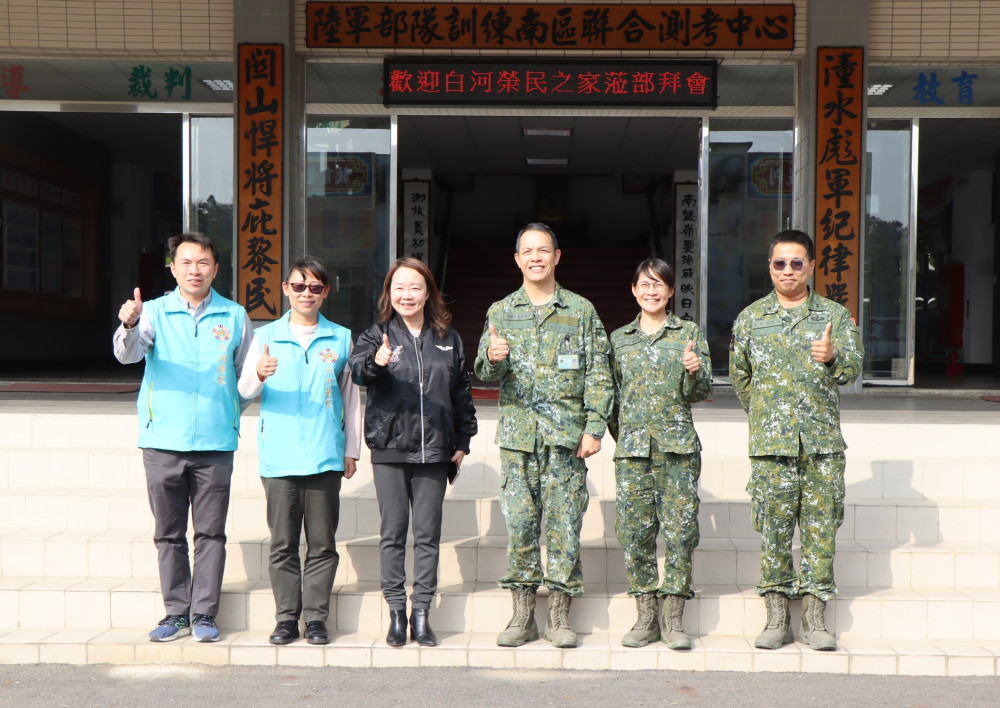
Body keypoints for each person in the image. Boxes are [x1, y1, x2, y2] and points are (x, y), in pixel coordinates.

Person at [475, 222, 613, 649]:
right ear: (517, 260)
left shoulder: (580, 310)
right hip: (519, 442)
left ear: (557, 256)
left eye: (544, 250)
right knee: (519, 526)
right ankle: (522, 616)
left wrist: (595, 426)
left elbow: (600, 373)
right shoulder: (501, 311)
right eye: (527, 251)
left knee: (564, 528)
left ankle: (558, 616)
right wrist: (493, 359)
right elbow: (483, 372)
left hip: (566, 442)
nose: (535, 257)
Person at [113, 232, 252, 643]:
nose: (195, 270)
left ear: (216, 268)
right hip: (162, 443)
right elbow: (128, 354)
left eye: (203, 262)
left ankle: (205, 614)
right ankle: (176, 613)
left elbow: (247, 379)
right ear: (172, 268)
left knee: (211, 533)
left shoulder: (233, 315)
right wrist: (130, 323)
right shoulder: (152, 312)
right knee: (169, 534)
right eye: (186, 262)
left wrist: (228, 412)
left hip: (215, 445)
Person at [729, 229, 863, 652]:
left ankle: (814, 620)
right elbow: (741, 379)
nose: (788, 271)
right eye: (779, 264)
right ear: (769, 268)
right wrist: (769, 416)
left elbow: (852, 370)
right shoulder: (750, 318)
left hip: (821, 447)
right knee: (774, 532)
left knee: (821, 532)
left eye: (796, 263)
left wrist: (834, 356)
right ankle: (775, 619)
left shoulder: (834, 317)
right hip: (772, 448)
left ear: (811, 267)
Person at [349, 257, 477, 647]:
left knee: (427, 534)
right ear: (390, 292)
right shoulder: (376, 335)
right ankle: (396, 614)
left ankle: (422, 612)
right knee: (392, 533)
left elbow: (461, 392)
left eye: (415, 287)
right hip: (389, 447)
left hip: (436, 451)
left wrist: (462, 440)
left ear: (428, 293)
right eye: (399, 287)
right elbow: (357, 372)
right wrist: (377, 361)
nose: (407, 294)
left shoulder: (448, 337)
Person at [237, 256, 361, 646]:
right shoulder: (266, 336)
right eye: (299, 286)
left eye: (315, 287)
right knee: (283, 543)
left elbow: (352, 398)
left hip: (325, 454)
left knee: (323, 544)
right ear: (286, 289)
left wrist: (351, 450)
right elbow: (242, 392)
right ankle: (286, 618)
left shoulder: (341, 337)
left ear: (325, 292)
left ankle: (316, 619)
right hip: (280, 457)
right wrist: (259, 373)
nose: (306, 293)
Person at [608, 258, 712, 650]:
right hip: (633, 453)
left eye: (659, 285)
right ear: (634, 290)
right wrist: (626, 437)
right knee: (635, 534)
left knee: (681, 533)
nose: (651, 291)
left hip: (678, 451)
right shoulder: (619, 339)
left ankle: (673, 618)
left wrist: (693, 370)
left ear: (671, 291)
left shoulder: (688, 333)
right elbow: (610, 395)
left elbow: (701, 392)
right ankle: (646, 616)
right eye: (644, 285)